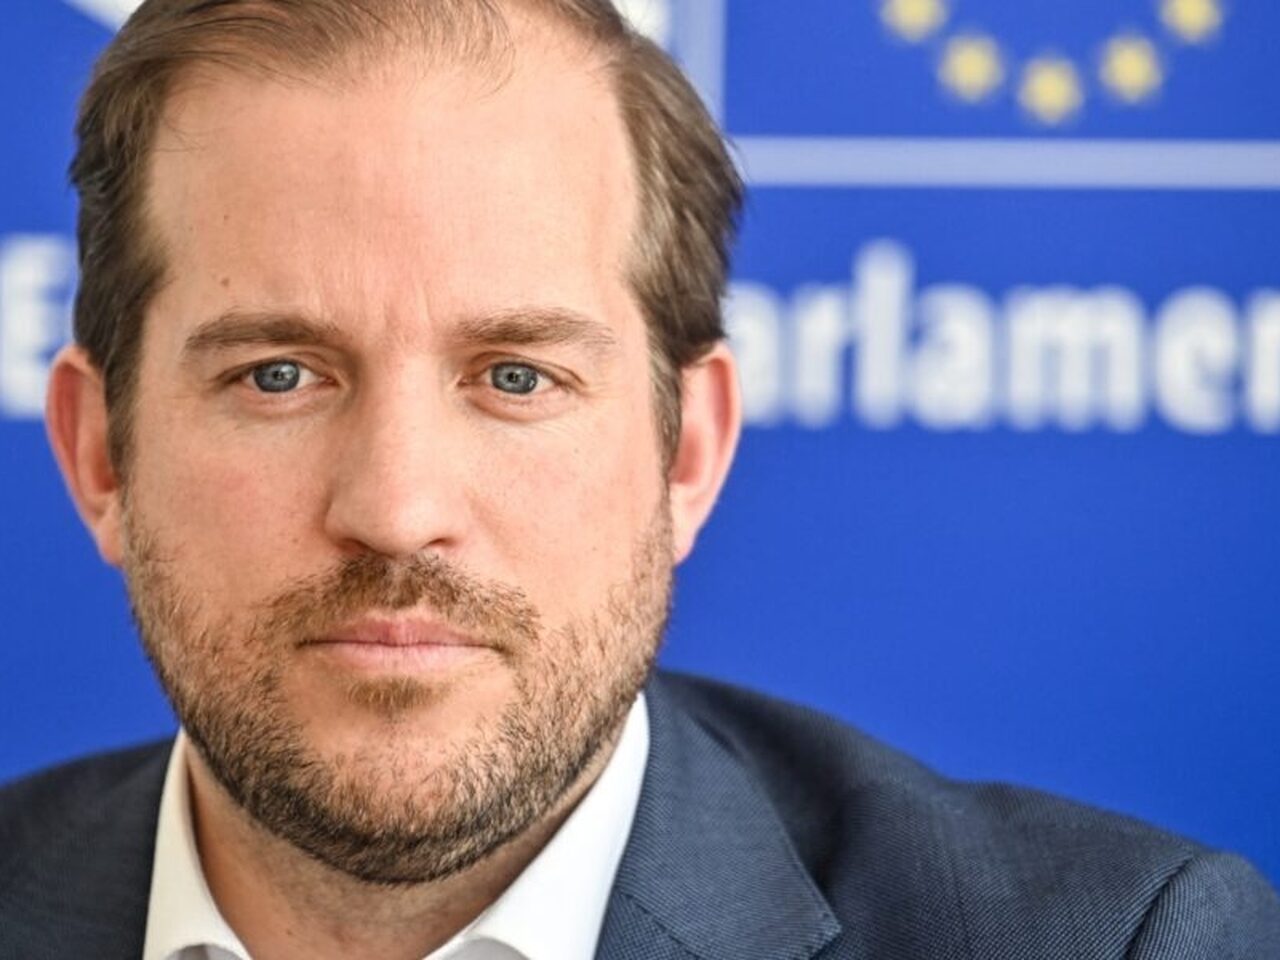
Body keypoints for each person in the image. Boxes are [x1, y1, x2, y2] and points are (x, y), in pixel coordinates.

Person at [2, 0, 1278, 957]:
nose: (396, 510)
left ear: (686, 451)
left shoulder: (1113, 941)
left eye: (515, 377)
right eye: (278, 376)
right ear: (101, 451)